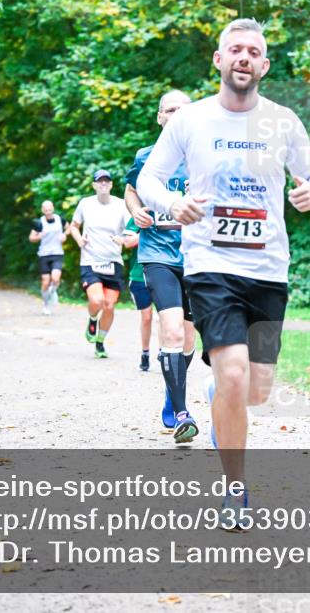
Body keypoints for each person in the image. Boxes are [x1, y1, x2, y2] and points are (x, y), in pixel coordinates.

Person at [137, 18, 310, 518]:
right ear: (219, 60)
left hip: (268, 269)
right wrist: (173, 207)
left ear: (263, 65)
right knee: (237, 375)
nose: (243, 57)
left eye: (253, 52)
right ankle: (235, 489)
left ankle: (219, 389)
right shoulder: (191, 120)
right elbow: (151, 179)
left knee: (257, 390)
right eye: (235, 49)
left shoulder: (282, 121)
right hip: (210, 266)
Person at [125, 90, 199, 441]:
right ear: (160, 117)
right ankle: (183, 413)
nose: (177, 115)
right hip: (157, 255)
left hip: (197, 258)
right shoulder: (146, 157)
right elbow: (130, 190)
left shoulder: (206, 156)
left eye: (184, 110)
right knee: (170, 329)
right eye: (170, 109)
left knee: (187, 337)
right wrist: (135, 210)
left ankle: (173, 397)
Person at [70, 170, 130, 358]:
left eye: (107, 181)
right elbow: (73, 226)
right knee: (97, 301)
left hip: (113, 261)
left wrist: (123, 239)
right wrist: (79, 240)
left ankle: (100, 342)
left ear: (111, 185)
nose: (103, 184)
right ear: (94, 185)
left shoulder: (121, 205)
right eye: (99, 181)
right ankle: (93, 319)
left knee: (110, 306)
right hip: (90, 260)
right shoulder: (85, 203)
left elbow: (130, 231)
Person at [122, 218, 154, 371]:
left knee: (165, 317)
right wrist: (153, 233)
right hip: (139, 275)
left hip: (165, 274)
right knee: (147, 317)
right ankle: (145, 353)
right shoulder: (140, 215)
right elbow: (127, 243)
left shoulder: (172, 211)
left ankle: (166, 353)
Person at [29, 201, 70, 315]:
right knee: (45, 282)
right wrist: (39, 236)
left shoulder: (60, 219)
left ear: (53, 208)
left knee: (56, 279)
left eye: (49, 208)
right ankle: (46, 305)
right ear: (42, 210)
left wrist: (65, 235)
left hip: (57, 253)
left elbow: (69, 228)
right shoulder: (39, 223)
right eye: (45, 209)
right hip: (44, 254)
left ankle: (53, 291)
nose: (48, 211)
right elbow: (31, 238)